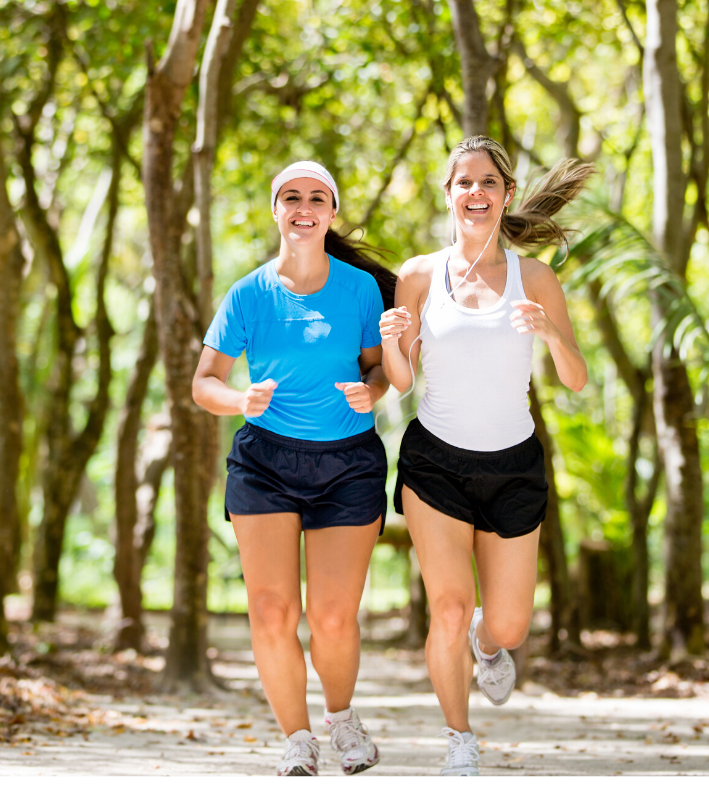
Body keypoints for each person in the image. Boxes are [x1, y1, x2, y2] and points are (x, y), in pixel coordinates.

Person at [379, 136, 593, 776]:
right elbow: (400, 380)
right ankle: (459, 737)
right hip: (434, 464)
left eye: (488, 184)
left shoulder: (537, 277)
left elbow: (576, 377)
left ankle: (486, 643)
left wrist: (551, 331)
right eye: (464, 183)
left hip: (513, 466)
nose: (476, 193)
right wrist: (394, 340)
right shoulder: (419, 275)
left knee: (510, 625)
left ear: (504, 196)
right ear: (448, 194)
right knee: (445, 605)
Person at [193, 161, 396, 776]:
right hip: (265, 463)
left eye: (316, 198)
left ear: (331, 213)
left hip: (348, 465)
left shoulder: (360, 289)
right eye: (291, 197)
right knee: (272, 613)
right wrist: (238, 401)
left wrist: (376, 391)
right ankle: (297, 738)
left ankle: (341, 717)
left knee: (332, 618)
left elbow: (377, 368)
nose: (303, 207)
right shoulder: (249, 294)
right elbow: (205, 383)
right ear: (276, 211)